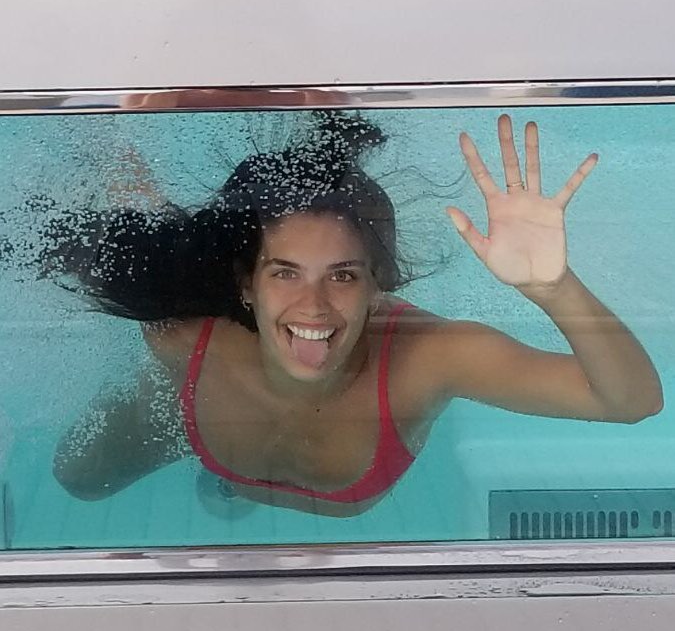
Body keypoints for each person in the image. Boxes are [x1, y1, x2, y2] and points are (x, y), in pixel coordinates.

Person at [46, 111, 662, 517]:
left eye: (342, 275)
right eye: (285, 272)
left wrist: (553, 288)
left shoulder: (427, 361)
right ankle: (226, 476)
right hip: (183, 422)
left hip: (241, 446)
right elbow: (140, 211)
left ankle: (233, 482)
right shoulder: (187, 335)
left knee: (222, 489)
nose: (313, 305)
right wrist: (104, 132)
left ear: (377, 288)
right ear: (245, 285)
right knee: (76, 479)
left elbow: (630, 402)